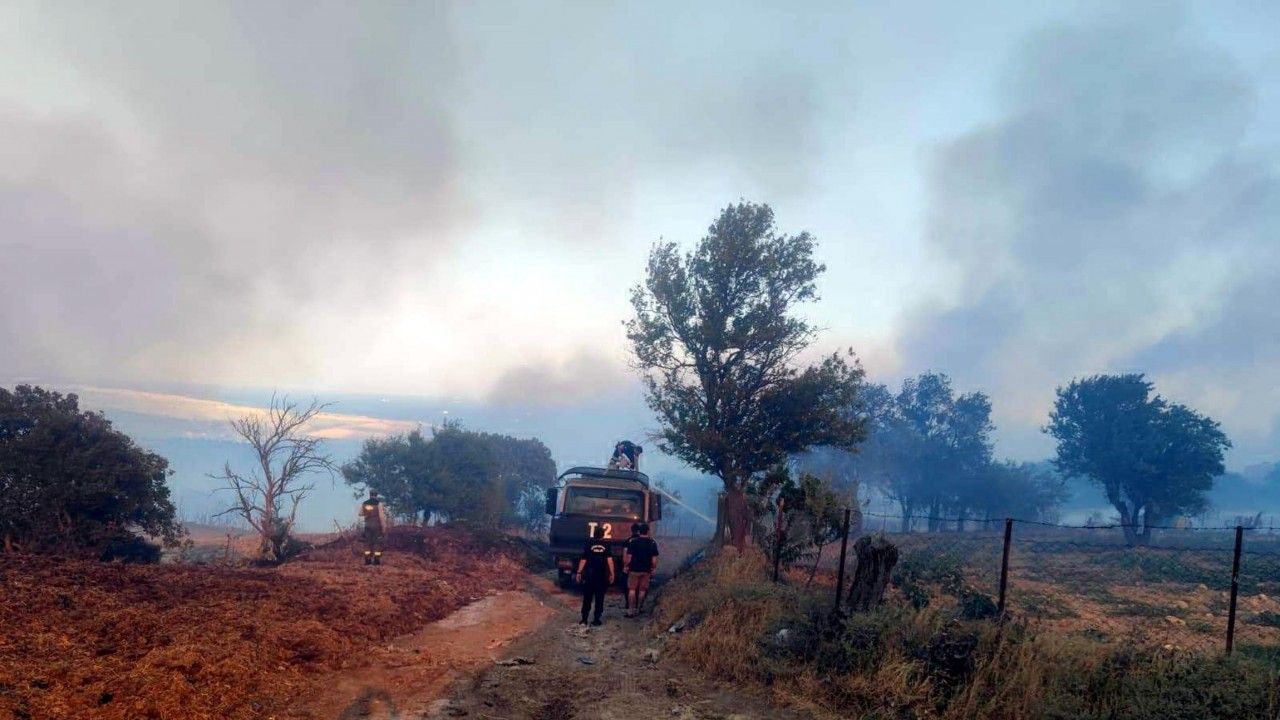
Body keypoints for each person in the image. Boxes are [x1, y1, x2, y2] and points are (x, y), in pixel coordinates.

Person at [575, 525, 615, 626]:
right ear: (603, 535)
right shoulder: (607, 545)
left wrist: (579, 572)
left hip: (589, 575)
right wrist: (612, 573)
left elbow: (584, 559)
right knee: (599, 598)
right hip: (601, 576)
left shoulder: (589, 544)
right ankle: (596, 619)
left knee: (587, 597)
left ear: (594, 534)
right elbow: (610, 561)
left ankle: (584, 619)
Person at [623, 522, 659, 617]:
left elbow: (629, 557)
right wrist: (653, 568)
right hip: (646, 570)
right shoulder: (652, 543)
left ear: (639, 531)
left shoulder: (633, 542)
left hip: (634, 570)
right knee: (642, 590)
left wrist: (626, 566)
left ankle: (630, 610)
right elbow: (654, 560)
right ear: (648, 531)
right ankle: (638, 609)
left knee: (632, 590)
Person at [359, 490, 387, 565]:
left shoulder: (364, 503)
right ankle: (376, 560)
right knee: (377, 543)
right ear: (376, 495)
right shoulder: (379, 504)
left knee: (367, 543)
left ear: (370, 495)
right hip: (376, 526)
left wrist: (368, 512)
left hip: (367, 526)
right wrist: (383, 528)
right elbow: (381, 517)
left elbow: (360, 513)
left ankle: (367, 560)